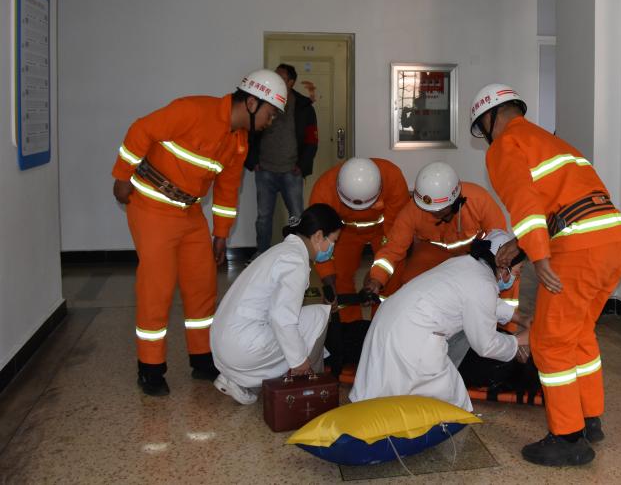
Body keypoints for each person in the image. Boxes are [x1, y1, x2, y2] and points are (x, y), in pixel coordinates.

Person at [470, 82, 621, 467]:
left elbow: (525, 204)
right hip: (612, 242)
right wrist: (522, 245)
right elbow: (559, 205)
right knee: (579, 334)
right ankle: (589, 418)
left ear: (489, 118)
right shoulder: (549, 141)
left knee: (550, 342)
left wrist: (539, 258)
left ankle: (568, 438)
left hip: (579, 249)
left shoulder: (505, 145)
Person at [111, 69, 287, 397]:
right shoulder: (193, 110)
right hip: (151, 206)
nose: (271, 121)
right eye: (271, 113)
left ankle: (202, 357)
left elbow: (227, 188)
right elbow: (141, 129)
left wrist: (221, 234)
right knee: (157, 286)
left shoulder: (239, 141)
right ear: (252, 103)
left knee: (202, 285)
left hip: (190, 213)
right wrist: (122, 176)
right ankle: (150, 367)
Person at [349, 230, 529, 411]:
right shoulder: (483, 282)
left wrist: (522, 319)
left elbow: (480, 301)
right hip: (412, 335)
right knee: (451, 406)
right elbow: (486, 344)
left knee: (381, 401)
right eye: (518, 270)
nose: (517, 277)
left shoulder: (465, 264)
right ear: (505, 265)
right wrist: (520, 340)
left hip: (388, 321)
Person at [211, 203, 342, 405]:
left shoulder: (281, 251)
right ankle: (311, 390)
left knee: (294, 324)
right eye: (333, 241)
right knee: (319, 315)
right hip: (242, 347)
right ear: (318, 236)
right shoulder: (294, 261)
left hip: (224, 344)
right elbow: (282, 318)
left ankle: (238, 380)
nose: (332, 249)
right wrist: (300, 362)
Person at [362, 162, 519, 310]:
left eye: (440, 211)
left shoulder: (479, 200)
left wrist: (494, 272)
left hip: (475, 253)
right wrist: (376, 278)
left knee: (506, 279)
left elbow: (500, 241)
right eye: (430, 211)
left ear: (456, 201)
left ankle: (505, 322)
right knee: (410, 282)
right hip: (433, 252)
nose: (435, 215)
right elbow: (393, 249)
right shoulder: (413, 210)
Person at [309, 157, 410, 322]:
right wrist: (328, 281)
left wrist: (377, 279)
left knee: (393, 274)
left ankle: (383, 324)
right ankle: (350, 326)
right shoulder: (323, 190)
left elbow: (396, 239)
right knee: (339, 277)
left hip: (383, 229)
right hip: (344, 232)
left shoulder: (392, 178)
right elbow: (318, 243)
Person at [249, 63, 319, 257]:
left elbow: (311, 140)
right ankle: (261, 254)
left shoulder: (304, 107)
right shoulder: (262, 101)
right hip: (265, 170)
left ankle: (297, 254)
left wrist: (302, 166)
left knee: (296, 216)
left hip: (291, 171)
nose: (275, 79)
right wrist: (254, 161)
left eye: (281, 77)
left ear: (291, 82)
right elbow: (250, 132)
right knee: (263, 217)